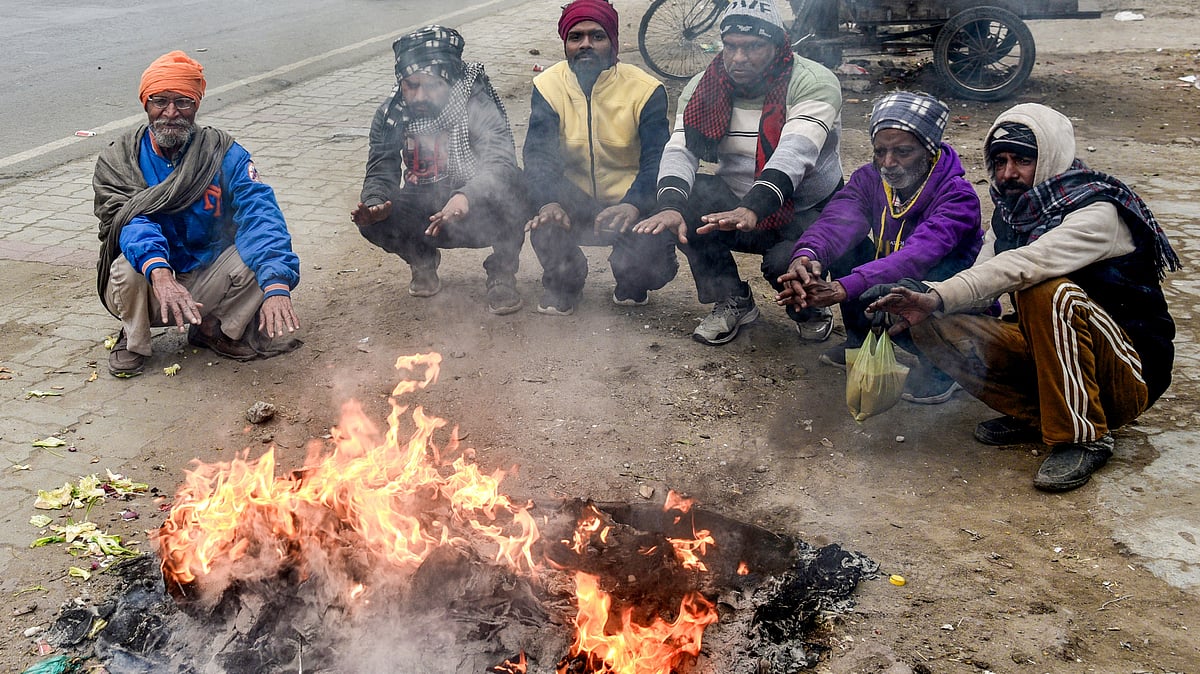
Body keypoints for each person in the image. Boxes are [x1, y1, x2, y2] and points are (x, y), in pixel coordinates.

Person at [867, 103, 1180, 491]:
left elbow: (1026, 263)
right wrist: (920, 296)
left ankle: (1083, 436)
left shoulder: (1097, 211)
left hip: (1129, 372)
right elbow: (980, 281)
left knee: (1045, 289)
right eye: (999, 161)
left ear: (1051, 157)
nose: (1008, 173)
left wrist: (937, 292)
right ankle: (1041, 415)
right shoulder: (1013, 213)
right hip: (1056, 356)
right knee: (927, 316)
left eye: (1022, 160)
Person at [633, 0, 844, 346]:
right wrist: (670, 205)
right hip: (739, 202)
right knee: (686, 206)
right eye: (730, 46)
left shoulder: (813, 82)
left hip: (805, 208)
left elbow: (796, 152)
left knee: (784, 263)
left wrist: (753, 206)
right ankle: (732, 298)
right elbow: (680, 148)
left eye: (753, 47)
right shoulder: (704, 86)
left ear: (778, 45)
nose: (738, 58)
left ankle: (809, 309)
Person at [94, 51, 301, 378]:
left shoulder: (223, 153)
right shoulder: (120, 159)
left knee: (264, 257)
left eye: (184, 102)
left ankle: (211, 329)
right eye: (160, 101)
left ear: (197, 106)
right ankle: (134, 340)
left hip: (206, 271)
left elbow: (262, 214)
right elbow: (131, 222)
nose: (171, 113)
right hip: (151, 283)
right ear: (145, 103)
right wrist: (160, 274)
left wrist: (277, 284)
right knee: (128, 264)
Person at [776, 91, 983, 404]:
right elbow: (837, 222)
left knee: (913, 285)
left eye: (902, 152)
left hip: (947, 301)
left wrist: (841, 289)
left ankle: (943, 368)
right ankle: (859, 340)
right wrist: (807, 257)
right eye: (880, 151)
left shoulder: (958, 198)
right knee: (849, 248)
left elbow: (915, 258)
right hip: (890, 282)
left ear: (929, 150)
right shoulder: (870, 179)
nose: (888, 163)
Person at [352, 25, 526, 315]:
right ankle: (422, 261)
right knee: (371, 220)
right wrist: (375, 204)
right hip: (426, 208)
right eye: (411, 85)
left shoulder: (476, 104)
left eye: (431, 85)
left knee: (518, 189)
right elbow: (381, 166)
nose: (419, 96)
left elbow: (500, 163)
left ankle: (502, 273)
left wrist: (466, 196)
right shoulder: (390, 114)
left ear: (450, 80)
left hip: (478, 208)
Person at [523, 0, 679, 315]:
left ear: (613, 41)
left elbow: (657, 159)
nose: (586, 45)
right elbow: (538, 154)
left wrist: (634, 203)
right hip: (574, 201)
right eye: (576, 37)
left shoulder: (646, 90)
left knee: (653, 259)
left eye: (597, 36)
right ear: (565, 43)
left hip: (628, 202)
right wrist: (550, 201)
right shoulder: (548, 86)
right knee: (539, 211)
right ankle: (565, 282)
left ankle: (631, 279)